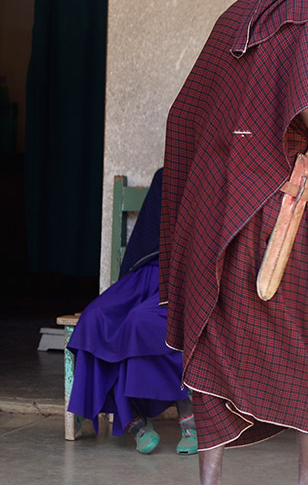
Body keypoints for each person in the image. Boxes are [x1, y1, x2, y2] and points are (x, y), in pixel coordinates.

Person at [159, 0, 308, 485]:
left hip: (216, 212)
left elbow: (186, 114)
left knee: (219, 338)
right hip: (281, 210)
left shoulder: (235, 16)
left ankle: (210, 477)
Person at [68, 168, 196, 456]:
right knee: (94, 319)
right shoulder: (166, 175)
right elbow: (145, 240)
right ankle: (134, 421)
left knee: (142, 322)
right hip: (145, 275)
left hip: (183, 280)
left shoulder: (218, 179)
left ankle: (189, 419)